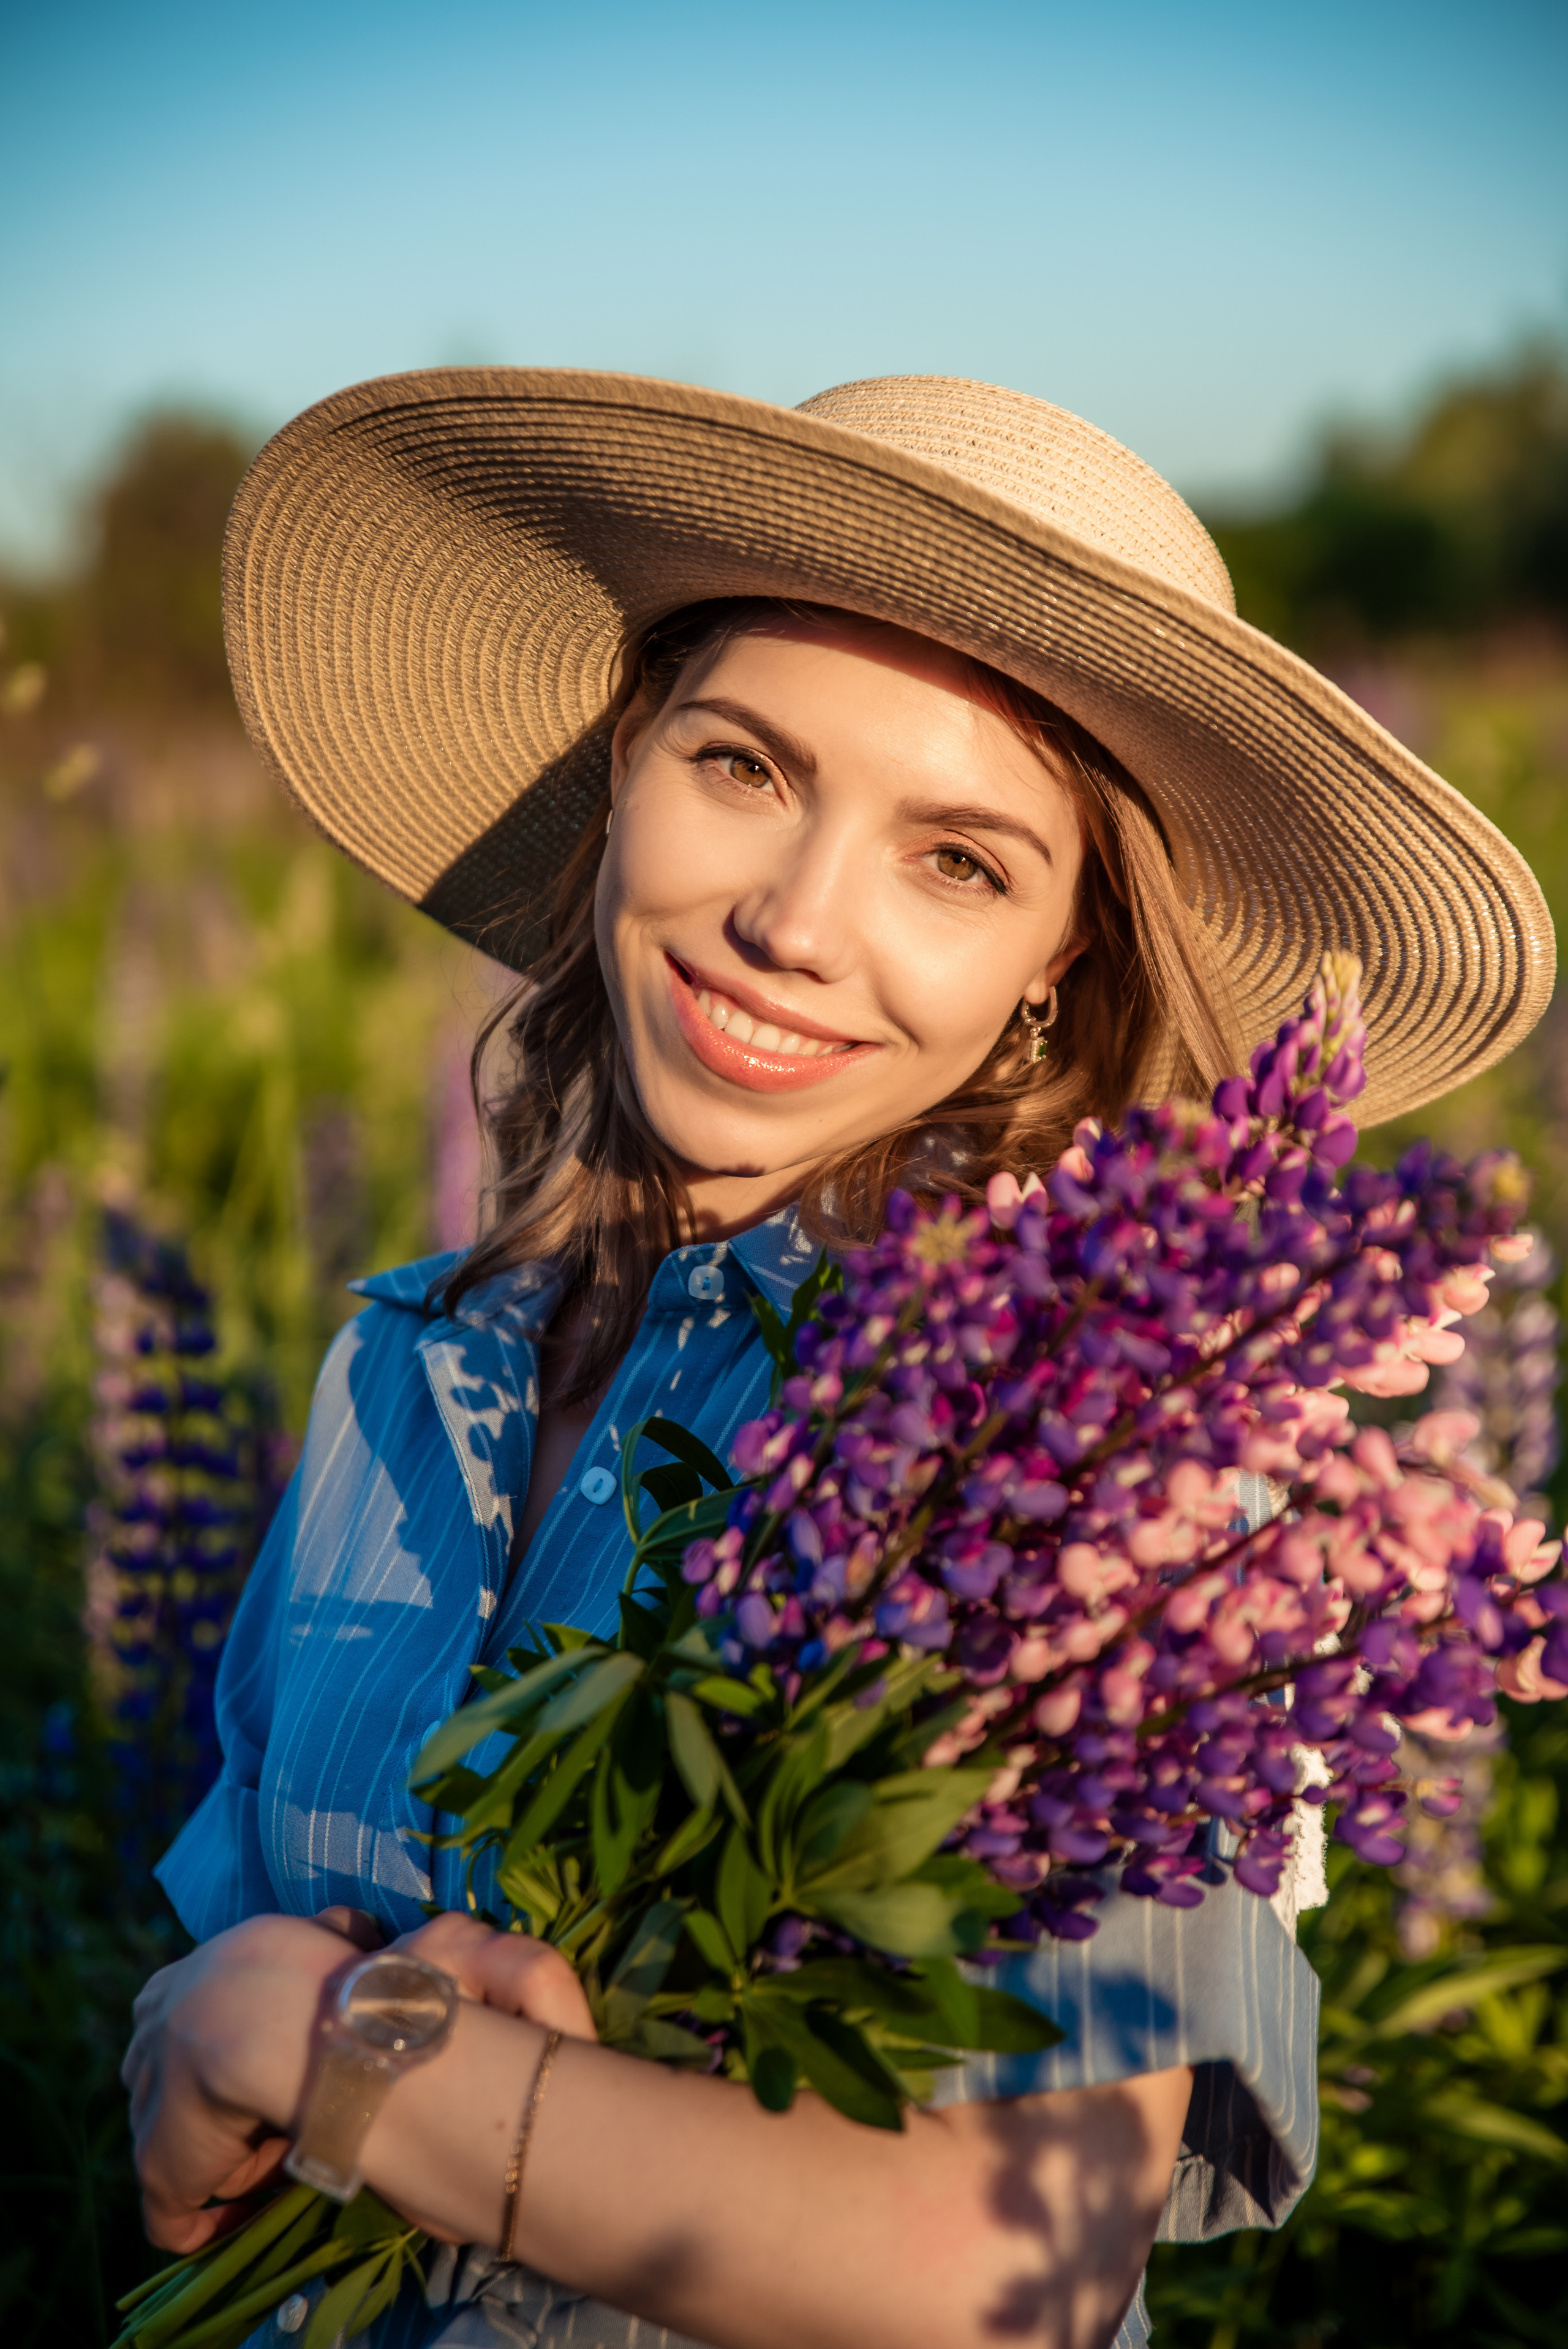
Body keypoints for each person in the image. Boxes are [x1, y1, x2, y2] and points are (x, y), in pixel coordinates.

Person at [122, 371, 1552, 2349]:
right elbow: (211, 2052)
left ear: (1058, 956)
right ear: (626, 761)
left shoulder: (1100, 1469)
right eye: (745, 766)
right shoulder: (399, 1370)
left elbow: (998, 2277)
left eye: (957, 860)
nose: (795, 922)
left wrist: (327, 2043)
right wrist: (215, 2010)